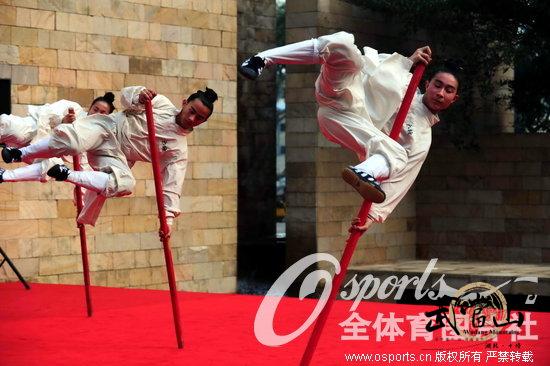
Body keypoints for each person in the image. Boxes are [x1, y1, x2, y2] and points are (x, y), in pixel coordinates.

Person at [238, 31, 459, 230]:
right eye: (438, 85)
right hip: (342, 97)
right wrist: (409, 61)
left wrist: (370, 217)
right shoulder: (406, 81)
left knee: (398, 156)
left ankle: (365, 172)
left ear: (453, 99)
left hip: (347, 123)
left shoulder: (422, 138)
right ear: (428, 83)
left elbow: (403, 180)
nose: (440, 92)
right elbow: (378, 69)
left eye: (448, 90)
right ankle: (262, 59)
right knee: (344, 45)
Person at [1, 86, 218, 234]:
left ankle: (66, 174)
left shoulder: (178, 150)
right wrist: (139, 94)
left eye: (200, 118)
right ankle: (20, 154)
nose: (192, 119)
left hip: (115, 155)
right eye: (192, 111)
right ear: (184, 102)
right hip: (107, 128)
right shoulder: (159, 103)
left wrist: (167, 220)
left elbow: (172, 184)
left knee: (126, 184)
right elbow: (127, 96)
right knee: (73, 143)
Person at [0, 93, 116, 184]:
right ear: (90, 107)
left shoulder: (94, 142)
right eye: (95, 109)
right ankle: (15, 153)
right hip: (34, 130)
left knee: (53, 167)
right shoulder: (74, 108)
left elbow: (85, 169)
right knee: (8, 125)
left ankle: (4, 175)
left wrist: (81, 198)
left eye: (102, 113)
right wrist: (62, 121)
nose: (96, 114)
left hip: (45, 152)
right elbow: (46, 114)